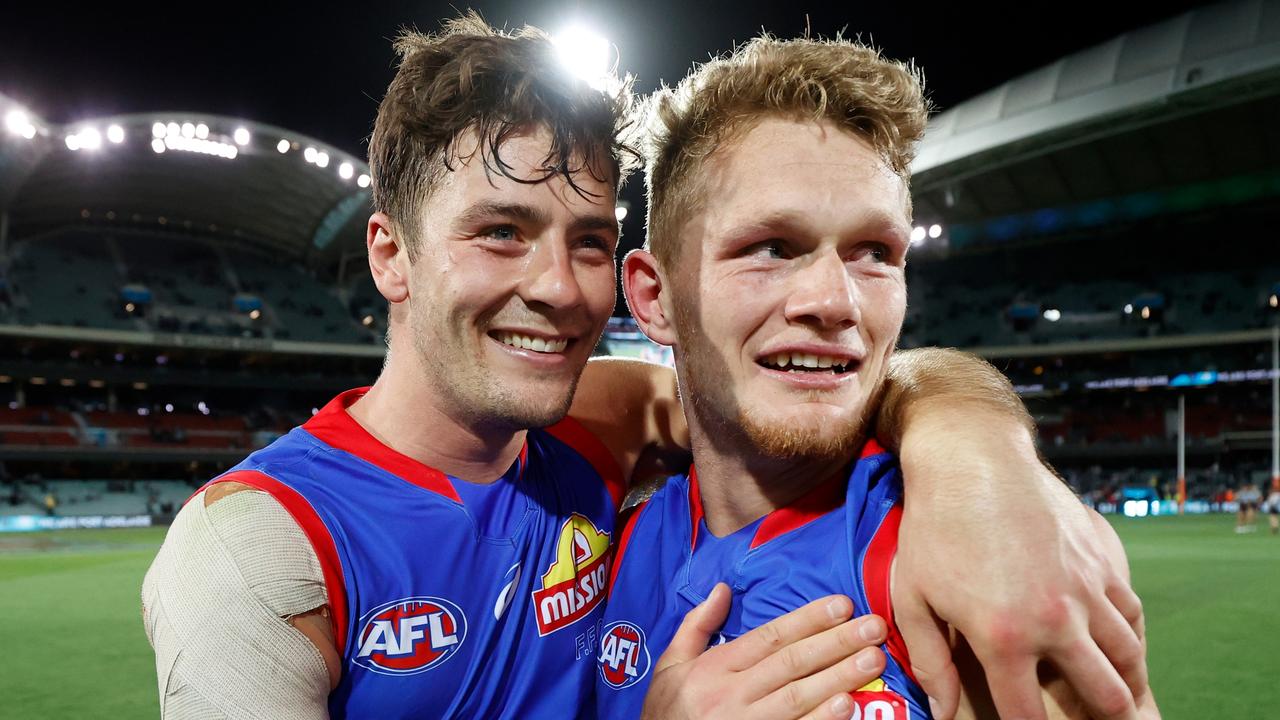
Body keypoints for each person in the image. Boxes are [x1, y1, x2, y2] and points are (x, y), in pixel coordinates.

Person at [143, 14, 1148, 720]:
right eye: (499, 232)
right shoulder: (260, 550)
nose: (558, 288)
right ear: (389, 253)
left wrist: (980, 460)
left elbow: (829, 376)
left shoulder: (593, 439)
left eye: (584, 241)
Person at [595, 34, 1157, 720]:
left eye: (874, 253)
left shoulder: (968, 569)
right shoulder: (606, 537)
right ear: (654, 299)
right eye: (772, 247)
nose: (835, 302)